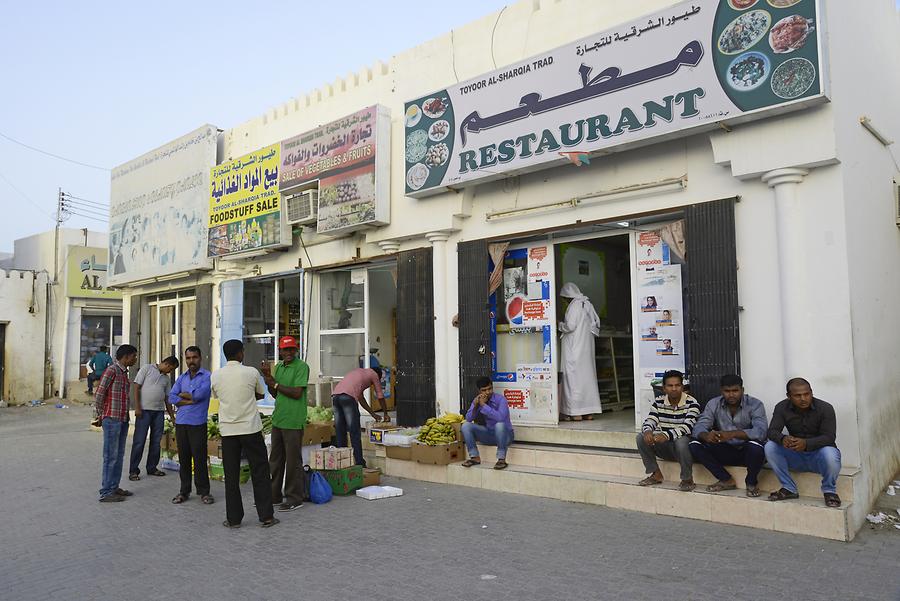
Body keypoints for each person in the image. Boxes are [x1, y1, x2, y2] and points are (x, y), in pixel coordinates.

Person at [210, 340, 278, 528]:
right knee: (260, 472)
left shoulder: (216, 376)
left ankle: (233, 519)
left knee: (231, 476)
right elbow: (259, 394)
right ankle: (266, 516)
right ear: (240, 353)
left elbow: (219, 396)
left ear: (225, 354)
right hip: (250, 429)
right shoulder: (251, 372)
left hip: (228, 431)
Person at [765, 378, 842, 507]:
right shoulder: (782, 407)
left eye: (806, 394)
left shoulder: (825, 408)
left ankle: (829, 491)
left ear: (811, 392)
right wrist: (783, 439)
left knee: (831, 453)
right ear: (789, 396)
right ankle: (789, 488)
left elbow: (829, 437)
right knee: (770, 446)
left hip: (818, 457)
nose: (803, 399)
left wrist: (806, 443)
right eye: (797, 395)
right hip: (796, 456)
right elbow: (771, 431)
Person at [690, 374, 768, 497]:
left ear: (742, 390)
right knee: (695, 444)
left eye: (735, 391)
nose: (731, 395)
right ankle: (726, 479)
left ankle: (751, 483)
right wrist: (706, 435)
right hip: (725, 449)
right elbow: (699, 426)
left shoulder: (755, 404)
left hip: (747, 452)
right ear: (721, 391)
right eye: (727, 391)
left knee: (757, 446)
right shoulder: (713, 403)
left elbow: (761, 432)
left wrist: (732, 434)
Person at [261, 336, 309, 512]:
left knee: (293, 461)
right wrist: (268, 378)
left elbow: (297, 393)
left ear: (296, 350)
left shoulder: (302, 367)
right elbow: (276, 394)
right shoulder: (279, 367)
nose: (288, 353)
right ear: (280, 351)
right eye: (285, 350)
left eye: (291, 349)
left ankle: (294, 497)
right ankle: (274, 495)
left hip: (294, 420)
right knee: (275, 459)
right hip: (279, 418)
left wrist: (275, 383)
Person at [637, 370, 700, 492]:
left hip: (685, 450)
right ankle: (656, 474)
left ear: (682, 386)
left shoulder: (692, 403)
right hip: (667, 447)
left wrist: (666, 435)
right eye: (670, 386)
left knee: (681, 441)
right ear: (664, 388)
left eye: (677, 385)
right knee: (640, 437)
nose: (674, 389)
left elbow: (688, 427)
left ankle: (687, 479)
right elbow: (650, 420)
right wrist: (648, 431)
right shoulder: (659, 402)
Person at [168, 346, 213, 506]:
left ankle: (204, 492)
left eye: (194, 357)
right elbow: (172, 397)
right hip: (181, 423)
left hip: (197, 423)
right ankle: (184, 491)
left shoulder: (207, 376)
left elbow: (201, 395)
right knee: (184, 460)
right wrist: (190, 400)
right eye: (188, 358)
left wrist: (185, 396)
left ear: (200, 358)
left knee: (200, 459)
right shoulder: (181, 378)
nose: (191, 361)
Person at [95, 344, 139, 503]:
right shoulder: (112, 371)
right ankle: (106, 491)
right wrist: (99, 415)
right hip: (112, 419)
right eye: (134, 356)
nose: (135, 359)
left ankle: (114, 487)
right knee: (110, 456)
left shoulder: (123, 373)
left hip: (122, 419)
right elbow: (100, 393)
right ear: (126, 357)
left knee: (119, 455)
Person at [128, 355, 179, 481]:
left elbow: (168, 398)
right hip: (144, 411)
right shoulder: (147, 368)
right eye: (171, 369)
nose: (170, 372)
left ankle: (152, 467)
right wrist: (137, 407)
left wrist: (172, 416)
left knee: (156, 442)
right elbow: (136, 387)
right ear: (167, 364)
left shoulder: (166, 379)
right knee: (139, 441)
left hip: (159, 412)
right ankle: (133, 470)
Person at [558, 282, 602, 421]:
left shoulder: (575, 306)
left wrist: (559, 324)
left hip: (574, 350)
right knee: (587, 379)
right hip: (586, 350)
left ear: (567, 296)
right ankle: (589, 412)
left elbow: (570, 326)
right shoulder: (587, 304)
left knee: (572, 380)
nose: (564, 302)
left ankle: (574, 412)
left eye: (564, 299)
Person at [331, 366, 387, 468]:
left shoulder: (359, 373)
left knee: (340, 431)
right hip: (348, 398)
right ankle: (360, 463)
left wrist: (373, 414)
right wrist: (386, 414)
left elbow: (361, 400)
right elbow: (380, 395)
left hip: (336, 397)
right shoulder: (374, 374)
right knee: (354, 432)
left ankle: (342, 463)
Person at [461, 377, 514, 470]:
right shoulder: (478, 400)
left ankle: (501, 459)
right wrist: (476, 406)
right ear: (479, 391)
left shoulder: (501, 400)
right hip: (489, 435)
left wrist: (484, 406)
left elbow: (500, 418)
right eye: (484, 390)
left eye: (489, 389)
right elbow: (468, 419)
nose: (487, 392)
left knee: (499, 425)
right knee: (465, 425)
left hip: (506, 436)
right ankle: (474, 457)